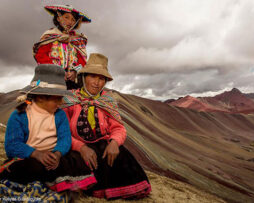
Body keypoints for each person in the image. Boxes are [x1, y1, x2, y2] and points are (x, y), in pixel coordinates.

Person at [62, 53, 151, 200]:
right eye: (92, 77)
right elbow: (62, 131)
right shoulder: (69, 99)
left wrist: (115, 142)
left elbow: (118, 128)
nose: (97, 83)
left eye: (101, 78)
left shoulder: (107, 100)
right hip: (76, 148)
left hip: (103, 146)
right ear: (83, 77)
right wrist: (81, 148)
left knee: (121, 158)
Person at [0, 64, 96, 194]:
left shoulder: (60, 115)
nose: (61, 102)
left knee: (74, 159)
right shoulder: (19, 115)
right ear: (40, 97)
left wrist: (57, 154)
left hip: (54, 158)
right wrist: (36, 154)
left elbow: (65, 139)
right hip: (29, 158)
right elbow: (12, 145)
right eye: (57, 99)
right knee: (32, 167)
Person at [33, 5, 91, 90]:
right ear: (58, 18)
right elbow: (40, 56)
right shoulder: (50, 36)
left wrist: (75, 71)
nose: (70, 22)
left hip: (71, 81)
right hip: (50, 79)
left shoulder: (77, 40)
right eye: (66, 17)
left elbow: (82, 61)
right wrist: (57, 71)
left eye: (73, 20)